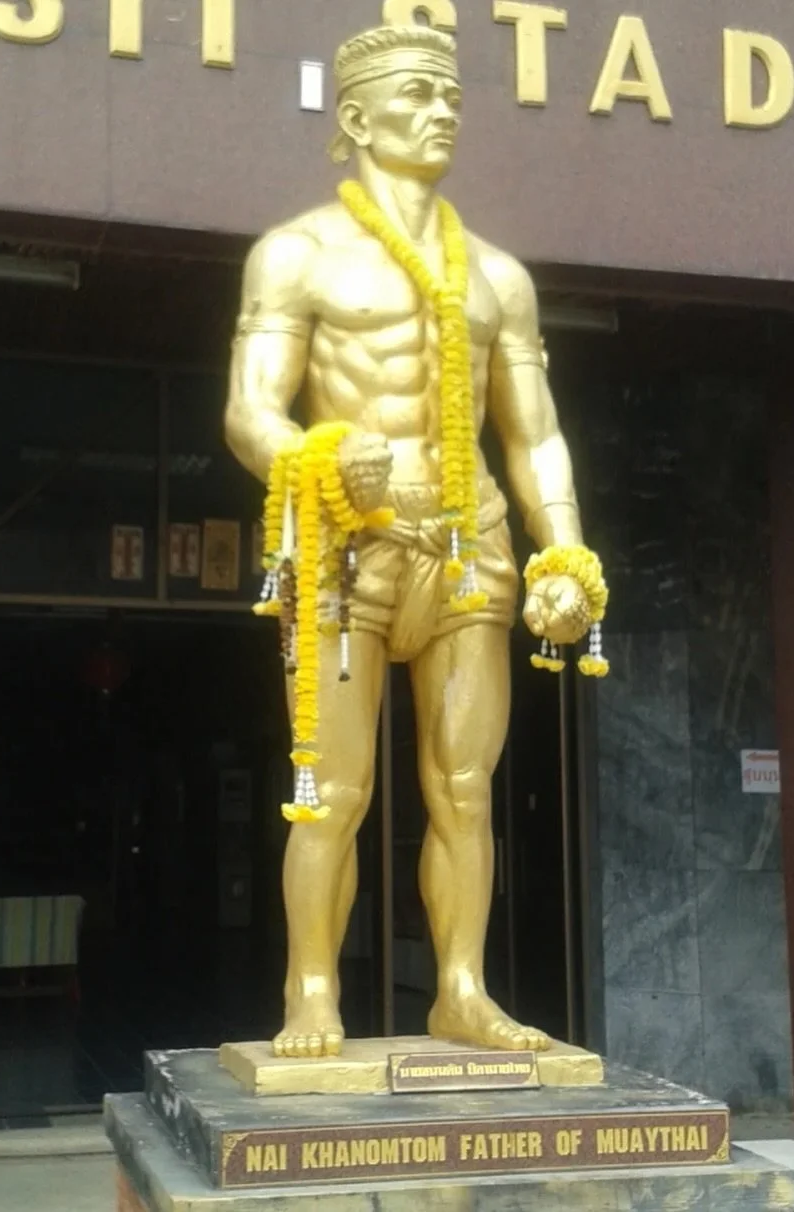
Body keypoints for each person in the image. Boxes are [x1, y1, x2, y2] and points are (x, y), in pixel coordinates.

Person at [225, 23, 599, 1059]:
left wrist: (563, 552)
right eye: (417, 94)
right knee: (333, 796)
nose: (443, 112)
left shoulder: (498, 278)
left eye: (451, 96)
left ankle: (461, 991)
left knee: (465, 789)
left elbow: (534, 436)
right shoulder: (296, 254)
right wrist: (319, 454)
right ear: (353, 117)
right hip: (344, 546)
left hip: (468, 538)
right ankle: (310, 992)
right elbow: (249, 415)